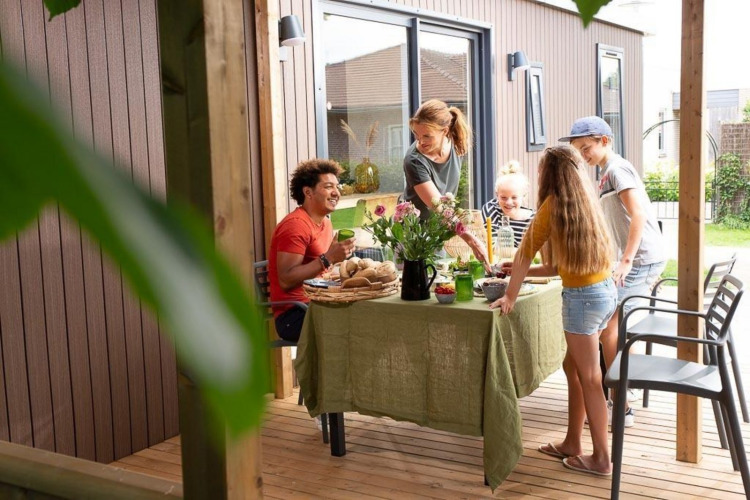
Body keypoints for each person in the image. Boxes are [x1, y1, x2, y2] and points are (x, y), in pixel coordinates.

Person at [490, 145, 618, 477]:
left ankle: (602, 457)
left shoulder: (550, 207)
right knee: (573, 370)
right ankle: (573, 442)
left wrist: (510, 297)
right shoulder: (584, 204)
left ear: (549, 174)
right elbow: (558, 267)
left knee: (589, 377)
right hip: (604, 294)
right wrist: (518, 274)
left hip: (583, 301)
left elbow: (523, 254)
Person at [561, 116, 666, 426]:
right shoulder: (606, 173)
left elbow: (638, 214)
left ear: (605, 141)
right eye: (579, 149)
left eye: (587, 147)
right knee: (607, 328)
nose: (583, 154)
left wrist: (627, 260)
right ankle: (615, 399)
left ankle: (621, 404)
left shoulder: (617, 169)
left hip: (642, 259)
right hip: (635, 260)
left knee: (609, 329)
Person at [269, 158, 355, 342]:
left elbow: (322, 270)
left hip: (318, 302)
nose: (336, 193)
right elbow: (286, 279)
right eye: (328, 186)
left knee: (367, 313)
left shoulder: (326, 223)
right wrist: (328, 258)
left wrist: (339, 260)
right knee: (358, 326)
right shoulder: (295, 226)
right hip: (294, 314)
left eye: (337, 187)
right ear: (308, 192)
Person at [403, 99, 489, 265]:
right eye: (416, 134)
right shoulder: (413, 161)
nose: (420, 141)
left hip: (438, 230)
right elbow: (440, 208)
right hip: (413, 235)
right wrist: (472, 240)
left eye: (427, 135)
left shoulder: (456, 144)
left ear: (445, 131)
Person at [481, 160, 535, 247]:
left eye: (514, 197)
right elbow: (492, 246)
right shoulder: (491, 209)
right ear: (497, 195)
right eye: (503, 197)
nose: (509, 202)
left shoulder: (534, 219)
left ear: (523, 196)